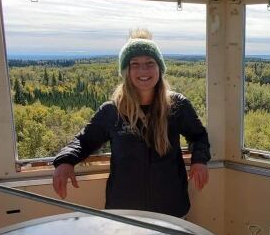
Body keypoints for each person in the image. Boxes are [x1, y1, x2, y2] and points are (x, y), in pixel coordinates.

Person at [51, 29, 210, 217]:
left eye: (150, 63)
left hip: (171, 206)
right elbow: (84, 141)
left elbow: (198, 136)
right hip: (125, 211)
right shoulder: (112, 110)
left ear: (160, 68)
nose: (143, 70)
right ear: (126, 71)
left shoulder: (177, 106)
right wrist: (65, 161)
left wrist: (199, 161)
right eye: (135, 64)